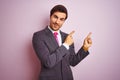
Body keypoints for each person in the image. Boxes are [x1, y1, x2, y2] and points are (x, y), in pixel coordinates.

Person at [32, 4, 92, 80]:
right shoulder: (38, 36)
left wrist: (85, 48)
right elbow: (48, 62)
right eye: (55, 17)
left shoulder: (67, 37)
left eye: (61, 19)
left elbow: (72, 61)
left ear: (64, 21)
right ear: (50, 16)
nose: (57, 21)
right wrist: (66, 44)